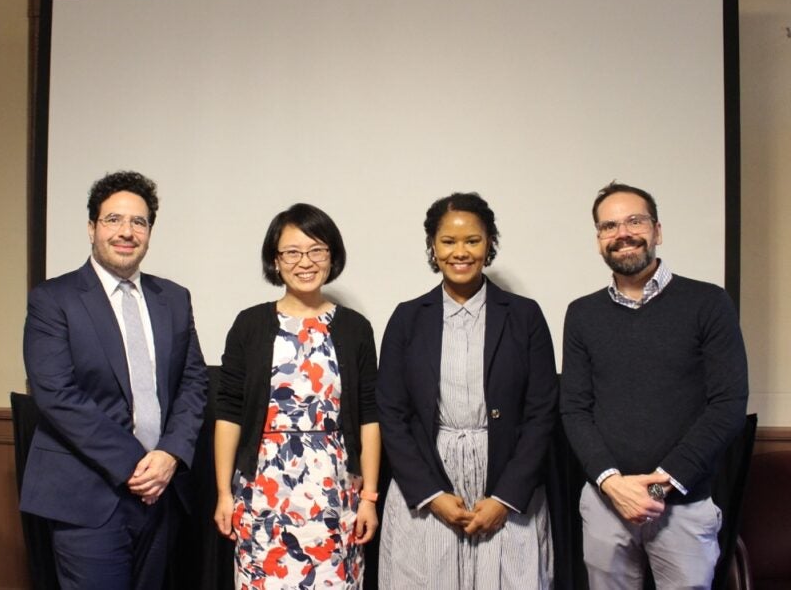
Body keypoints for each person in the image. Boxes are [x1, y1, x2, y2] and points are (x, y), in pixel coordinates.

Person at [20, 171, 208, 589]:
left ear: (149, 232)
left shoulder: (174, 298)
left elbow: (193, 384)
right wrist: (136, 466)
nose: (127, 232)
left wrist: (169, 456)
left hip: (160, 495)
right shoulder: (54, 299)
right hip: (87, 497)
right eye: (113, 220)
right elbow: (57, 395)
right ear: (92, 228)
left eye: (138, 222)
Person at [560, 182, 749, 589]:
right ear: (598, 241)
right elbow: (574, 409)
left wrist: (660, 485)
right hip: (605, 504)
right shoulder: (581, 314)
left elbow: (728, 404)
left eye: (634, 221)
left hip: (684, 506)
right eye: (609, 226)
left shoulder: (709, 303)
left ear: (657, 230)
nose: (622, 233)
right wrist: (613, 484)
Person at [377, 192, 558, 589]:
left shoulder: (524, 316)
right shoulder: (407, 319)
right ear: (432, 246)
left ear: (489, 243)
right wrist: (431, 493)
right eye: (448, 241)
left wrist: (505, 498)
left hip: (505, 483)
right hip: (429, 483)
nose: (461, 252)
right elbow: (391, 413)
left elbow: (542, 411)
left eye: (472, 241)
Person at [213, 203, 381, 589]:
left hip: (335, 491)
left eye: (316, 250)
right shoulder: (249, 324)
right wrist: (224, 493)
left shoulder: (355, 328)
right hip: (263, 492)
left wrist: (369, 497)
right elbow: (230, 413)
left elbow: (369, 416)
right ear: (275, 260)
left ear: (332, 256)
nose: (304, 262)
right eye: (292, 252)